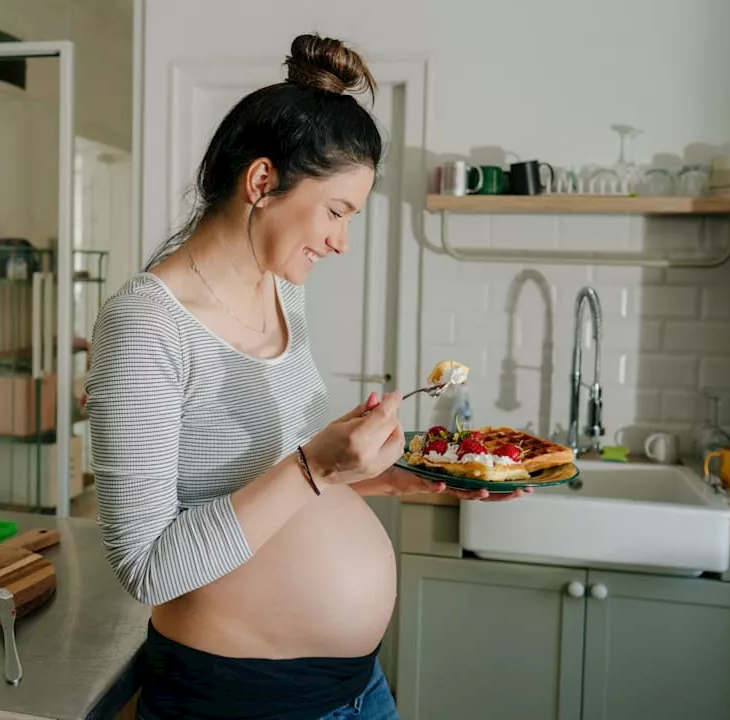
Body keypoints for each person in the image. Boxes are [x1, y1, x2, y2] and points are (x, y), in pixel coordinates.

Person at [85, 33, 527, 720]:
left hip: (357, 690)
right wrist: (318, 467)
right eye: (336, 212)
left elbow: (273, 486)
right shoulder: (147, 324)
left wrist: (390, 475)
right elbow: (146, 567)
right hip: (243, 702)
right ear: (262, 183)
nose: (341, 241)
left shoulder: (282, 290)